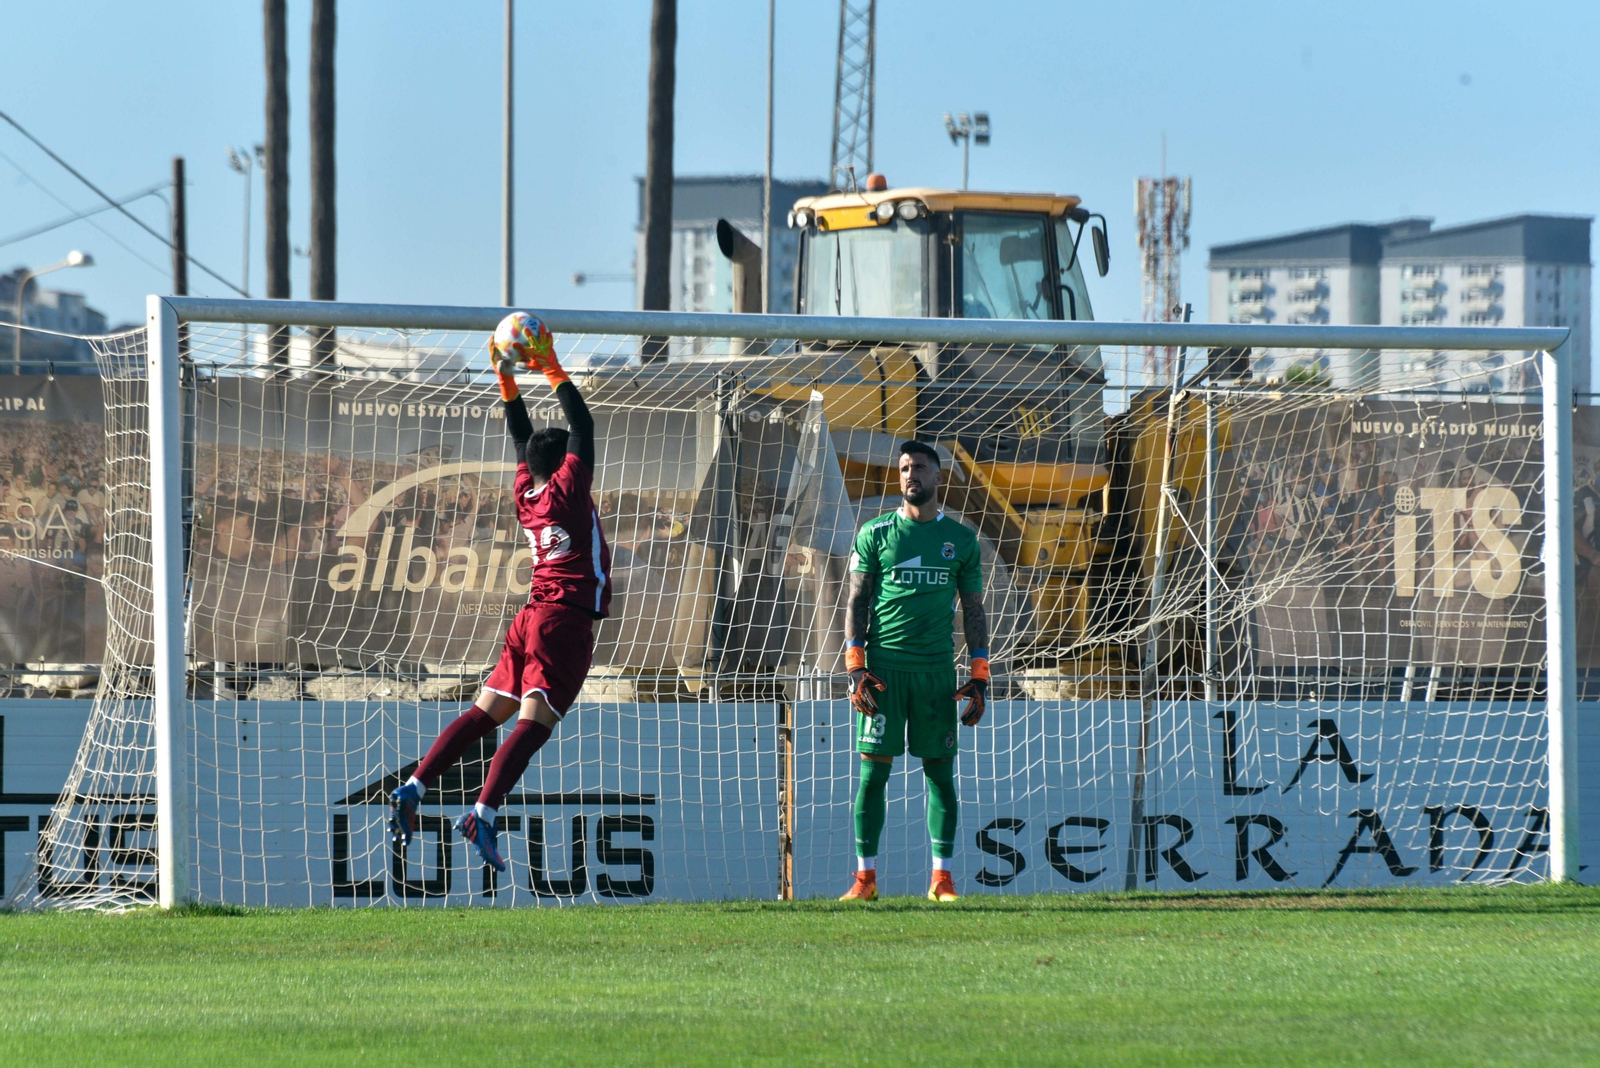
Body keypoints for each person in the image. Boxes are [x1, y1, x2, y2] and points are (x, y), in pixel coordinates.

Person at [388, 318, 611, 872]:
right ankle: (483, 816)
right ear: (566, 467)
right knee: (532, 726)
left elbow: (522, 437)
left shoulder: (527, 489)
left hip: (529, 618)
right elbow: (580, 424)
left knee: (484, 713)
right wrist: (551, 366)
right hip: (563, 622)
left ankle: (415, 786)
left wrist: (506, 379)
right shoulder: (564, 488)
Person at [839, 440, 989, 903]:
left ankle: (941, 881)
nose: (910, 475)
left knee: (940, 775)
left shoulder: (961, 541)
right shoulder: (874, 533)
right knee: (872, 776)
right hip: (883, 673)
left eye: (918, 467)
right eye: (904, 468)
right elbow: (857, 602)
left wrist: (980, 673)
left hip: (936, 674)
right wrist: (855, 666)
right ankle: (865, 881)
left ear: (936, 475)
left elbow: (974, 609)